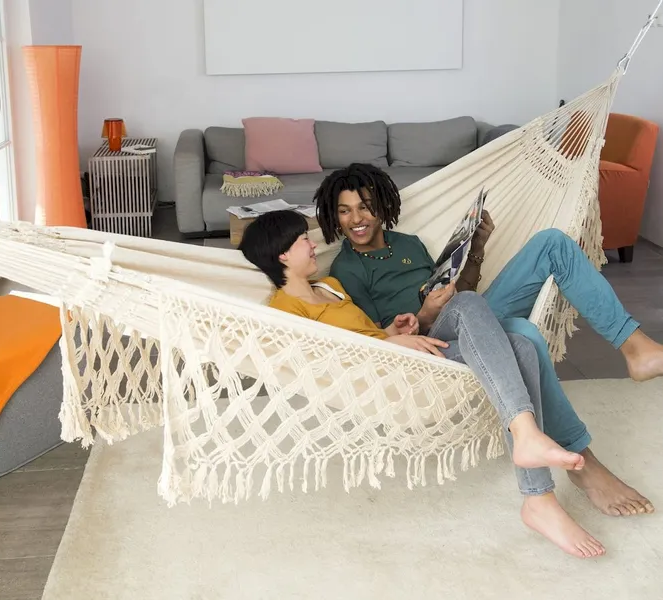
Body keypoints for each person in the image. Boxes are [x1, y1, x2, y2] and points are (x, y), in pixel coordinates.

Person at [239, 209, 607, 559]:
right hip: (386, 375)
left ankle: (537, 490)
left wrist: (393, 330)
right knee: (487, 321)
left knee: (509, 337)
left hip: (404, 354)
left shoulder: (329, 286)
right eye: (304, 240)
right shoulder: (285, 310)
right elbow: (324, 362)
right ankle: (535, 477)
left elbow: (363, 332)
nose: (313, 245)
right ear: (283, 254)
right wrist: (389, 346)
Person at [313, 162, 662, 520]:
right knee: (523, 335)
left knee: (552, 243)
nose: (356, 219)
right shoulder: (348, 269)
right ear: (334, 217)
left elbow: (463, 292)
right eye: (344, 211)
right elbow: (376, 340)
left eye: (365, 206)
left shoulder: (410, 245)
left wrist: (476, 247)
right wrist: (426, 315)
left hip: (470, 318)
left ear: (382, 206)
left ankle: (634, 346)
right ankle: (582, 467)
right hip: (430, 346)